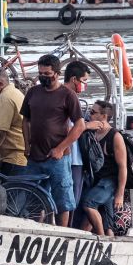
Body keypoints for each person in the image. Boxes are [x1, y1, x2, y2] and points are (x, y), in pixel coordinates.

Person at [21, 54, 85, 227]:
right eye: (40, 73)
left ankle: (63, 233)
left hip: (58, 157)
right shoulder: (33, 92)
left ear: (57, 74)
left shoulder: (67, 95)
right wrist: (26, 145)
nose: (43, 77)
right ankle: (36, 229)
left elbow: (79, 125)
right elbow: (25, 120)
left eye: (47, 74)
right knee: (33, 198)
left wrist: (60, 148)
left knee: (63, 200)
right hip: (35, 156)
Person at [80, 101, 127, 236]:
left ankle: (102, 241)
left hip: (109, 181)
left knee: (89, 204)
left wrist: (120, 194)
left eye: (93, 112)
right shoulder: (92, 132)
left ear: (104, 116)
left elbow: (123, 167)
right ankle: (106, 238)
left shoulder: (115, 136)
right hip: (95, 180)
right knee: (107, 225)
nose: (90, 114)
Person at [0, 66, 27, 176]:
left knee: (10, 192)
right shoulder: (15, 92)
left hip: (13, 158)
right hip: (21, 156)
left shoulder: (5, 98)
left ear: (1, 83)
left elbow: (1, 131)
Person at [62, 61, 90, 219]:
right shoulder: (69, 97)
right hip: (72, 158)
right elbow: (73, 126)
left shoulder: (61, 95)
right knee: (71, 198)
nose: (84, 85)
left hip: (70, 156)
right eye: (84, 81)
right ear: (74, 79)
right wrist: (89, 125)